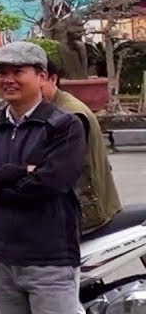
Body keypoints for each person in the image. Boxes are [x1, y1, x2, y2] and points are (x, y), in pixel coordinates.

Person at [0, 41, 87, 314]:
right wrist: (19, 171)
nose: (8, 80)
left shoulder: (65, 125)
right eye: (1, 73)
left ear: (41, 76)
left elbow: (50, 184)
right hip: (2, 256)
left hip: (50, 259)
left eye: (17, 72)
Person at [42, 63, 122, 234]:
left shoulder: (70, 116)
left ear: (52, 79)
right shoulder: (49, 108)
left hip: (84, 208)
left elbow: (56, 172)